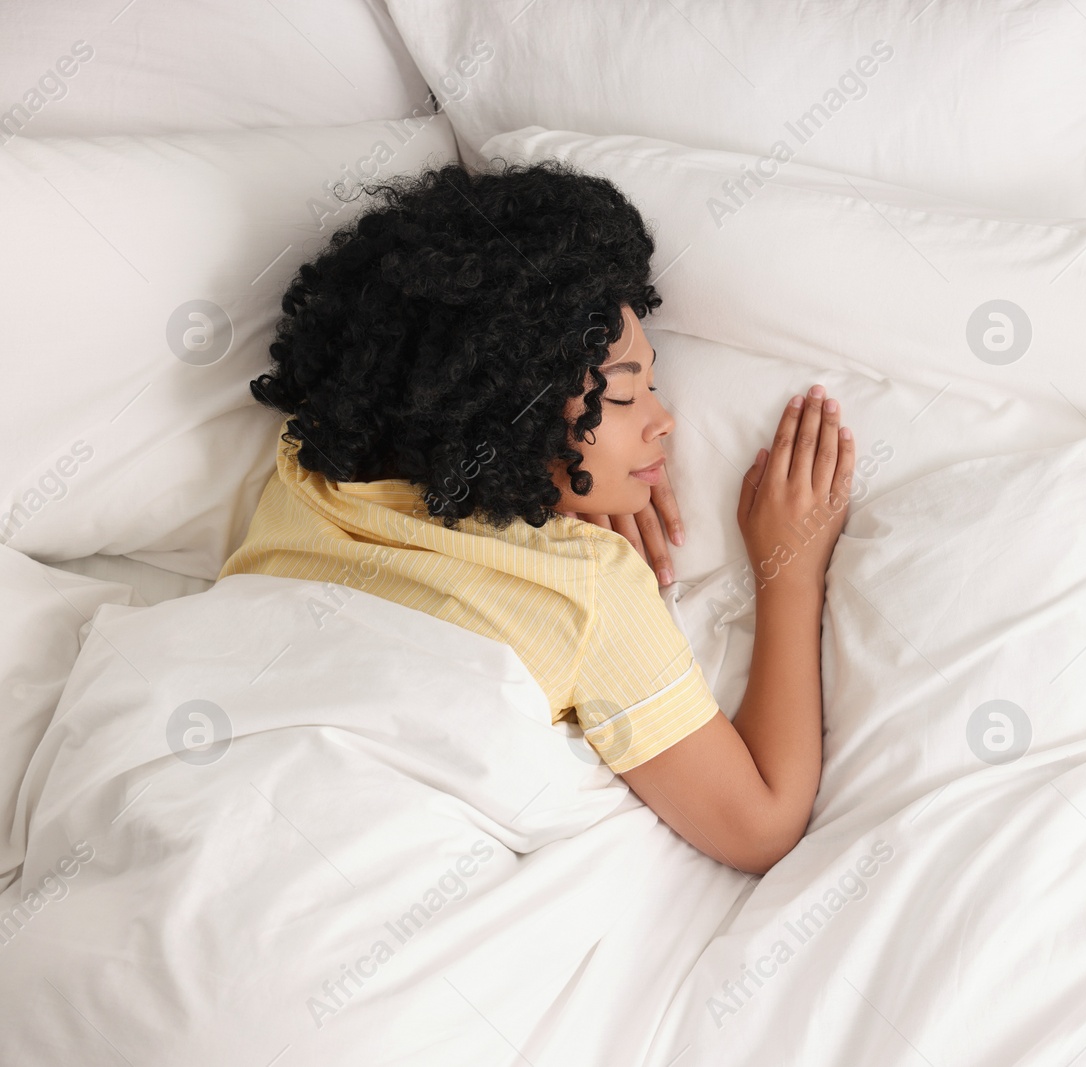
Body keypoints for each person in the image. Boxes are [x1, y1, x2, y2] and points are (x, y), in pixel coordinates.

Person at [218, 159, 852, 875]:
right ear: (509, 411)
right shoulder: (589, 590)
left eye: (655, 382)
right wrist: (789, 570)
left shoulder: (305, 475)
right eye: (623, 394)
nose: (665, 421)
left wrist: (578, 475)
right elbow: (760, 825)